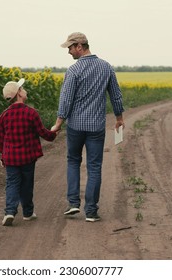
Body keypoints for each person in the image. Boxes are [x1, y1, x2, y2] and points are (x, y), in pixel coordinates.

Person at [52, 32, 125, 222]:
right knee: (94, 167)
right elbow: (115, 95)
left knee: (73, 161)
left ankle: (74, 204)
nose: (68, 52)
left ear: (79, 46)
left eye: (70, 47)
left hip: (76, 126)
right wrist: (119, 117)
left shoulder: (74, 70)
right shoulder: (106, 67)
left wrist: (58, 123)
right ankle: (91, 211)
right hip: (96, 127)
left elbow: (66, 100)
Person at [0, 78, 57, 226]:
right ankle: (28, 212)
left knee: (12, 183)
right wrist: (54, 132)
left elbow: (2, 139)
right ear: (19, 93)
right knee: (26, 184)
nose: (24, 90)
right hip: (27, 157)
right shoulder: (31, 113)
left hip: (10, 157)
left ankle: (10, 212)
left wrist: (2, 155)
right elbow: (42, 133)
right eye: (22, 88)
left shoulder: (4, 116)